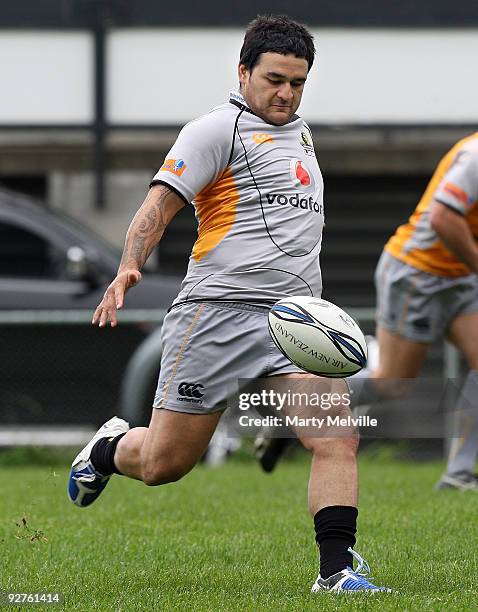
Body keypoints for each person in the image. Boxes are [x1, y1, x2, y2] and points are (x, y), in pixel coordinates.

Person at [67, 15, 389, 593]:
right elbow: (158, 205)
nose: (285, 93)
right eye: (273, 79)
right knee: (166, 465)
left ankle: (336, 571)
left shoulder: (302, 133)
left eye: (297, 82)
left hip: (294, 319)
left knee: (337, 436)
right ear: (242, 72)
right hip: (215, 315)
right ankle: (110, 447)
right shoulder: (215, 130)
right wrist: (127, 264)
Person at [371, 132, 478, 490]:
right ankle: (295, 407)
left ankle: (458, 476)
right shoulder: (476, 154)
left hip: (463, 275)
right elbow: (443, 218)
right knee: (392, 384)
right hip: (417, 272)